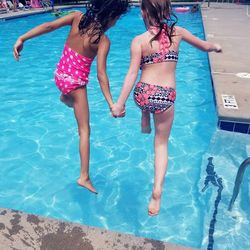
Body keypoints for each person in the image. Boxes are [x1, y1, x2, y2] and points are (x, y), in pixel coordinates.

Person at [112, 0, 222, 216]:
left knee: (145, 77)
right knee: (161, 144)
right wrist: (217, 47)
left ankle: (145, 119)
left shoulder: (138, 41)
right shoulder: (177, 32)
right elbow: (205, 46)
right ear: (168, 11)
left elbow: (131, 75)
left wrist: (119, 104)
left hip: (142, 94)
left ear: (143, 11)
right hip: (165, 98)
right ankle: (157, 191)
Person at [13, 0, 129, 194]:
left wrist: (22, 38)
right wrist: (111, 104)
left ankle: (66, 97)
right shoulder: (103, 41)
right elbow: (101, 75)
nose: (115, 22)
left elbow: (49, 26)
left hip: (59, 76)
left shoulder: (77, 17)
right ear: (110, 15)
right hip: (75, 85)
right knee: (85, 130)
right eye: (117, 18)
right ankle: (84, 177)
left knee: (73, 98)